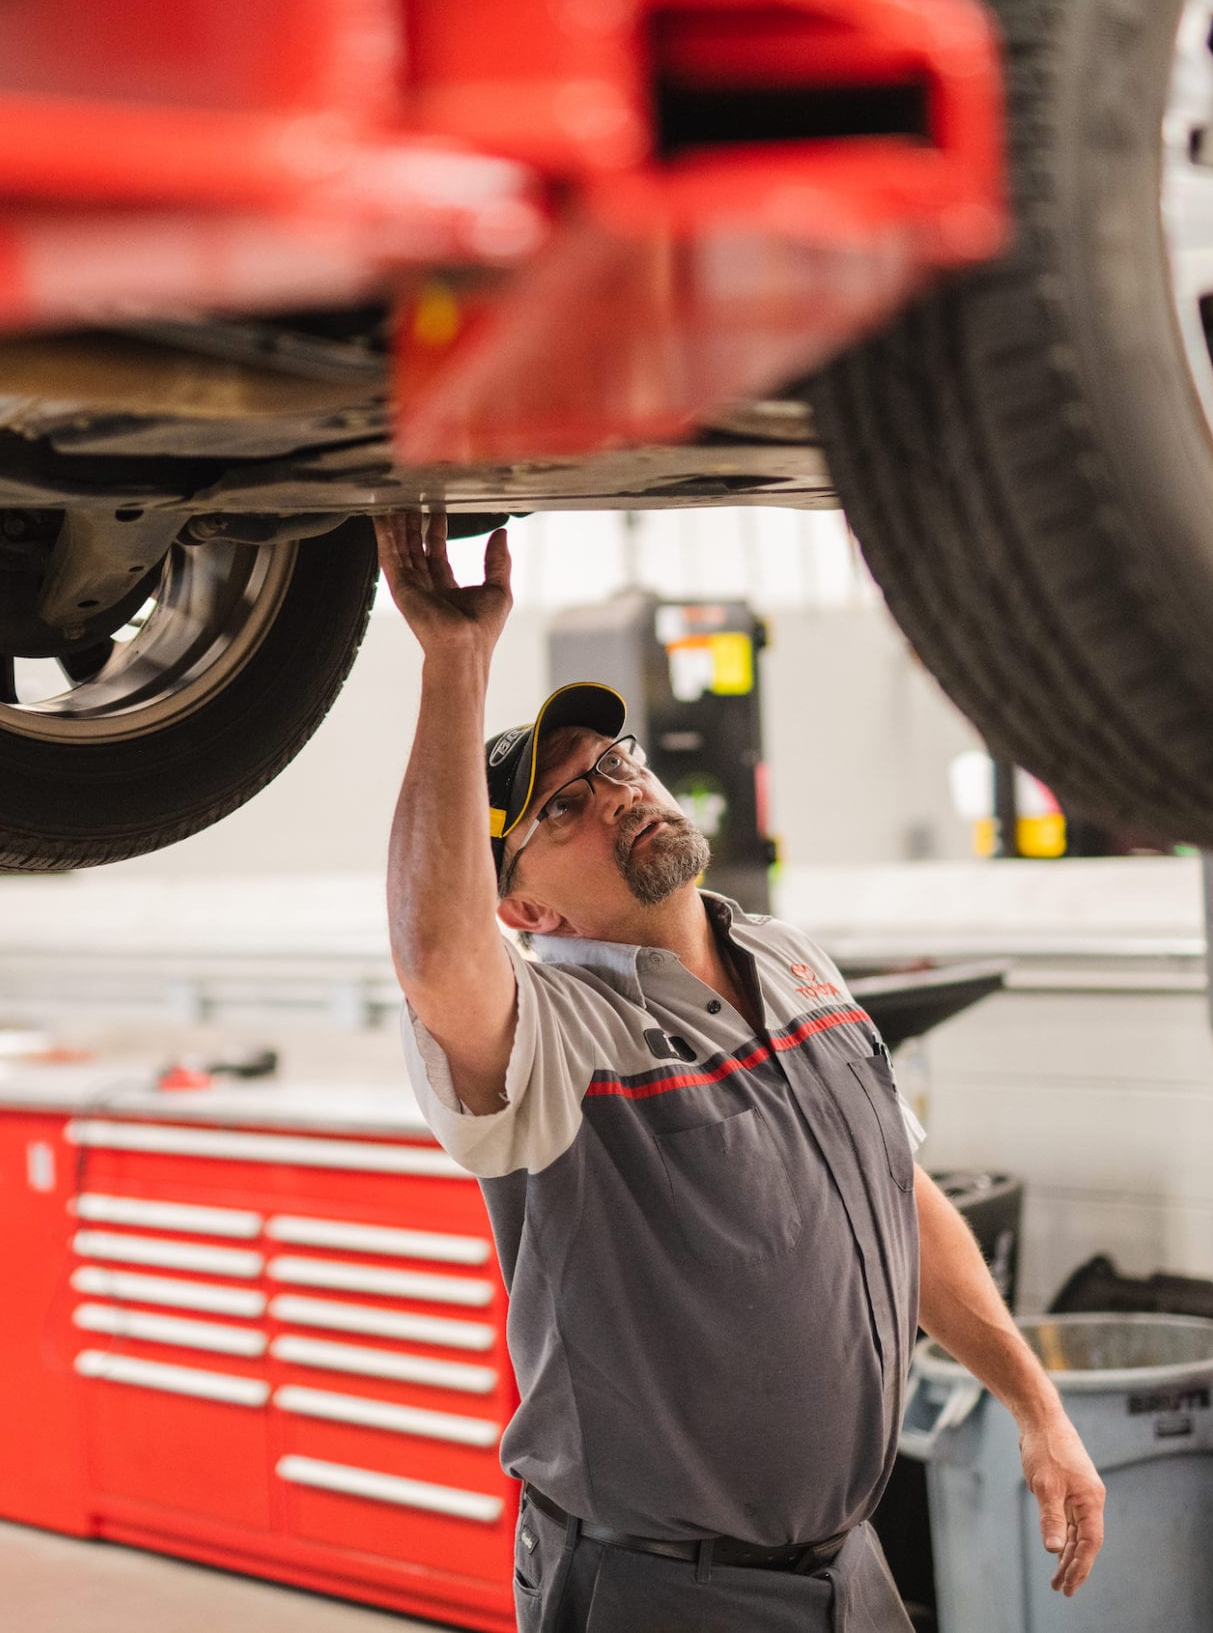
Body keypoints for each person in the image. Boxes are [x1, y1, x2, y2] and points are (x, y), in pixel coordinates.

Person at [374, 512, 1107, 1632]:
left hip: (848, 1568)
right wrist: (455, 662)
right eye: (564, 806)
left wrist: (1033, 1402)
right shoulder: (553, 1035)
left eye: (613, 765)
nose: (616, 791)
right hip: (661, 1590)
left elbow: (897, 1198)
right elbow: (435, 954)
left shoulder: (789, 957)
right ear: (523, 908)